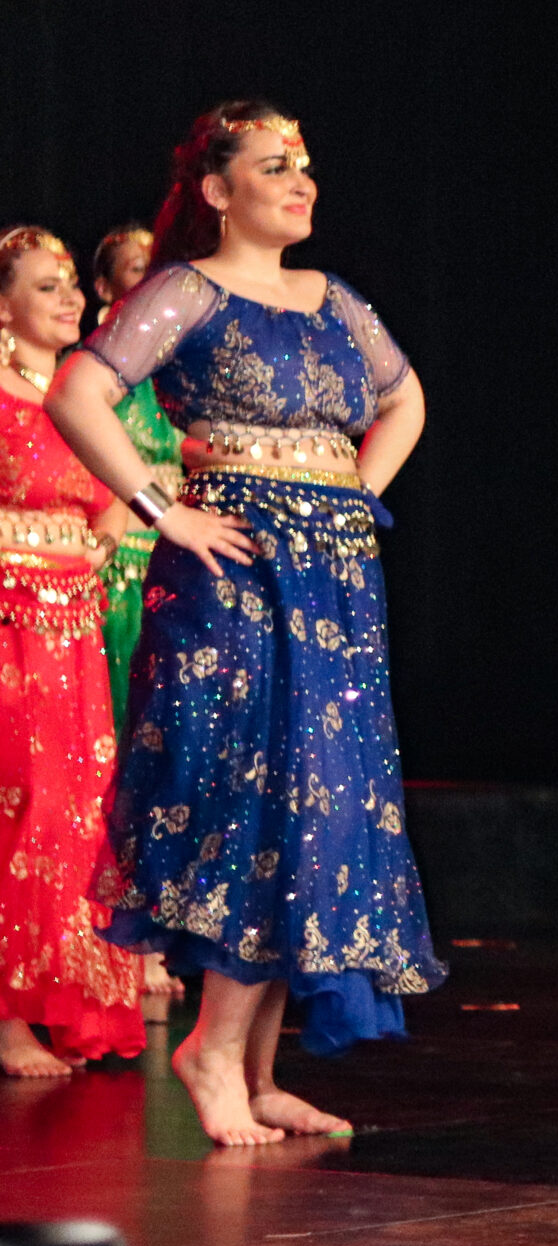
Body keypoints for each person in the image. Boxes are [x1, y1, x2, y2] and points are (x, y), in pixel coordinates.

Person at [49, 101, 442, 1144]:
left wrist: (356, 493)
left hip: (334, 575)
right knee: (255, 791)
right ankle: (212, 1050)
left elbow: (405, 400)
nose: (300, 181)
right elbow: (78, 391)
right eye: (274, 166)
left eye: (304, 165)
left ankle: (259, 1070)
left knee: (324, 801)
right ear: (219, 190)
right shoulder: (188, 290)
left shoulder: (334, 298)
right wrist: (161, 508)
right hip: (235, 570)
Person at [0, 227, 142, 1077]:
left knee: (74, 814)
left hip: (73, 631)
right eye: (46, 285)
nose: (70, 297)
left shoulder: (82, 395)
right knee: (17, 807)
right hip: (9, 627)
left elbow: (120, 493)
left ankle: (62, 1001)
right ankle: (8, 1020)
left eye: (70, 284)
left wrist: (100, 544)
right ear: (1, 305)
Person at [89, 224, 188, 1019]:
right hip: (114, 578)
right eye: (134, 272)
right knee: (120, 753)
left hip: (182, 573)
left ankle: (161, 932)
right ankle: (123, 940)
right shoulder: (98, 373)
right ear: (105, 291)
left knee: (174, 758)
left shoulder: (183, 371)